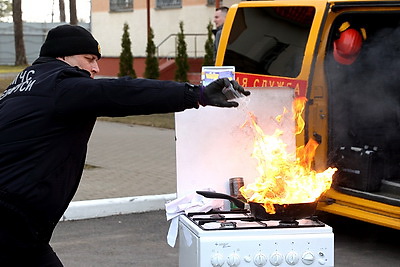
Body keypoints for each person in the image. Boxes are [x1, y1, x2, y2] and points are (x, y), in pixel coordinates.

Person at [0, 24, 250, 266]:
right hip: (12, 222)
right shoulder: (62, 86)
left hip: (23, 228)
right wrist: (197, 95)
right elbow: (123, 93)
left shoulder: (19, 87)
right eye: (89, 59)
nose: (96, 68)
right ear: (62, 56)